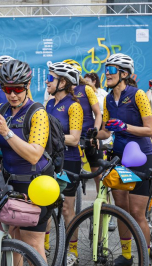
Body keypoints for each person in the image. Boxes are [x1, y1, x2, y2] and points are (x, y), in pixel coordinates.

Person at [0, 59, 53, 263]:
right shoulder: (2, 109)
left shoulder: (38, 112)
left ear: (27, 86)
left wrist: (7, 133)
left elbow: (34, 154)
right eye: (7, 89)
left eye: (17, 88)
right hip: (10, 184)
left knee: (33, 244)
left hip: (36, 184)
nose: (12, 94)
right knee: (14, 242)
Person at [96, 53, 152, 266]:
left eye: (111, 70)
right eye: (106, 69)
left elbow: (150, 130)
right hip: (119, 158)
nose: (107, 74)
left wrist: (125, 127)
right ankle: (127, 256)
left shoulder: (138, 95)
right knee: (121, 207)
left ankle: (146, 263)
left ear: (124, 74)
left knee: (137, 212)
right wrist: (93, 134)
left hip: (141, 158)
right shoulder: (108, 98)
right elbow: (105, 132)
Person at [45, 62, 83, 266]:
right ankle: (44, 245)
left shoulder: (74, 105)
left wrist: (50, 137)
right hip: (51, 160)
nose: (47, 81)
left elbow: (75, 139)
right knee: (46, 202)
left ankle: (73, 252)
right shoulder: (49, 104)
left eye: (50, 78)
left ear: (63, 82)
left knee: (67, 208)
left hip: (69, 161)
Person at [64, 59, 103, 190]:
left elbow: (98, 114)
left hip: (89, 136)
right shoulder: (61, 91)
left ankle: (103, 205)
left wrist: (95, 132)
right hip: (71, 137)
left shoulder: (86, 89)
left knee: (98, 174)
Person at [84, 72, 113, 145]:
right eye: (84, 82)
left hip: (102, 127)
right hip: (88, 126)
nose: (85, 84)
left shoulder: (103, 94)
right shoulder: (83, 94)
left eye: (87, 81)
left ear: (94, 82)